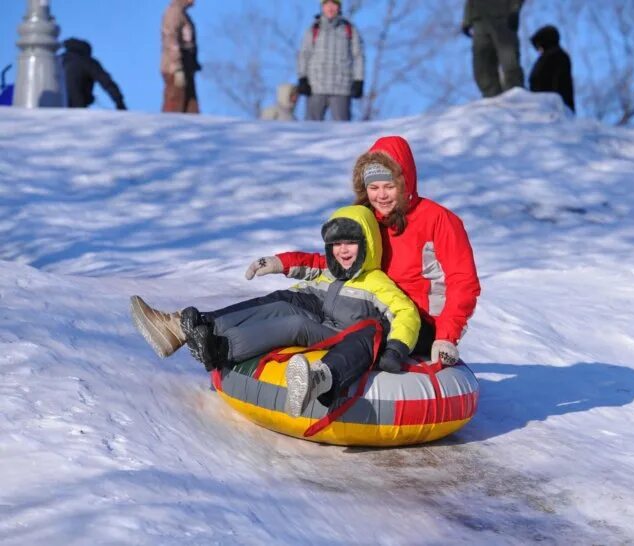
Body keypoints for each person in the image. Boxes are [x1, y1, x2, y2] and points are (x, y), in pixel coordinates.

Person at [130, 205, 420, 417]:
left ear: (368, 244)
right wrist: (276, 262)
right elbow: (307, 262)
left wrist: (397, 348)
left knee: (294, 323)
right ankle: (184, 327)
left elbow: (406, 312)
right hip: (316, 318)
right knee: (281, 301)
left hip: (337, 336)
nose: (343, 251)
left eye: (351, 243)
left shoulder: (377, 283)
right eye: (336, 244)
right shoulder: (330, 270)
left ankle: (221, 349)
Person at [245, 136, 481, 366]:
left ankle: (324, 378)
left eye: (389, 186)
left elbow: (463, 281)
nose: (381, 195)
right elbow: (340, 261)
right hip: (372, 305)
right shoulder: (367, 218)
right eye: (374, 187)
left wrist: (446, 336)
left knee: (369, 332)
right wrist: (282, 263)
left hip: (419, 323)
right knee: (299, 303)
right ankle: (231, 340)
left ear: (405, 182)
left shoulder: (439, 220)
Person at [297, 0, 364, 121]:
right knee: (311, 129)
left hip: (342, 88)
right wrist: (302, 78)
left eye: (334, 4)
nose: (330, 8)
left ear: (339, 7)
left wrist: (359, 80)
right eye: (327, 4)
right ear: (322, 7)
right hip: (316, 87)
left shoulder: (349, 29)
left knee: (343, 130)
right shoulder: (313, 29)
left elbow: (358, 56)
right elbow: (304, 55)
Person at [461, 0, 525, 98]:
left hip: (502, 17)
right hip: (479, 20)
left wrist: (514, 10)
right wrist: (466, 19)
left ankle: (515, 98)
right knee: (482, 69)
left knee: (510, 64)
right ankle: (492, 100)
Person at [61, 38, 126, 110]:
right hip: (77, 107)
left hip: (53, 108)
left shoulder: (56, 60)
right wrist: (119, 102)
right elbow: (106, 82)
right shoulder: (87, 61)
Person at [161, 0, 201, 113]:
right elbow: (170, 39)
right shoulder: (174, 13)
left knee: (191, 107)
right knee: (175, 106)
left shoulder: (183, 14)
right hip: (176, 69)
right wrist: (177, 67)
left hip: (186, 68)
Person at [529, 25, 575, 112]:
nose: (539, 51)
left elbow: (555, 84)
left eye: (538, 47)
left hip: (551, 108)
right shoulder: (556, 56)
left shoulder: (554, 57)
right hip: (550, 107)